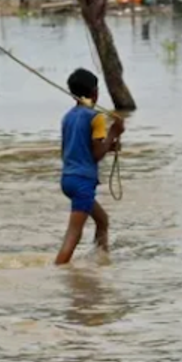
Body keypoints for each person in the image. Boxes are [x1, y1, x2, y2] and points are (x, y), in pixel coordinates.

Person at [55, 69, 124, 266]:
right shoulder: (96, 117)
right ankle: (57, 271)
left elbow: (73, 149)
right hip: (83, 181)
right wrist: (113, 133)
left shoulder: (68, 117)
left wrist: (109, 146)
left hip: (68, 179)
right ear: (95, 92)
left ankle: (100, 261)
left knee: (102, 220)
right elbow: (95, 155)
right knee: (73, 234)